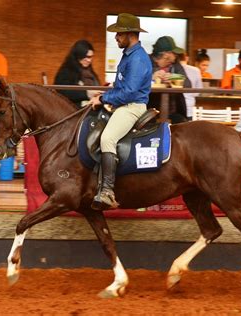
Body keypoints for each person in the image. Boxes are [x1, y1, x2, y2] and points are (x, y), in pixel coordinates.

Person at [88, 13, 152, 210]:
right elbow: (121, 87)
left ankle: (107, 190)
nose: (115, 37)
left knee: (107, 138)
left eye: (118, 34)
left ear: (130, 34)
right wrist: (107, 92)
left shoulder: (138, 59)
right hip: (124, 103)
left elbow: (130, 92)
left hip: (132, 107)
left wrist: (103, 99)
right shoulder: (129, 55)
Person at [148, 36, 191, 123]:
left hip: (174, 111)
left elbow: (188, 84)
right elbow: (135, 83)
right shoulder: (144, 61)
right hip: (149, 110)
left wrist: (173, 78)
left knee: (183, 126)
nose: (175, 56)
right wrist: (151, 78)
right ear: (166, 54)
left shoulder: (175, 63)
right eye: (174, 53)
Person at [54, 40, 101, 108]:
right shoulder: (66, 71)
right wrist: (86, 94)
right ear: (79, 55)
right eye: (87, 57)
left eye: (91, 57)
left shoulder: (90, 71)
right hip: (73, 111)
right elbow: (62, 92)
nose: (89, 60)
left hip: (92, 107)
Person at [179, 52, 202, 120]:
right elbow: (199, 90)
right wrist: (190, 95)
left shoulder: (172, 68)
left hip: (176, 108)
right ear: (187, 58)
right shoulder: (196, 70)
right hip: (190, 105)